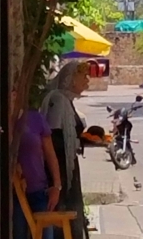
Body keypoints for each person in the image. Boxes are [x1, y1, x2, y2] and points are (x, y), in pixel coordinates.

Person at [40, 61, 90, 239]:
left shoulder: (66, 101)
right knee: (66, 213)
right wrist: (57, 182)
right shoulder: (59, 101)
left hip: (68, 167)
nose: (87, 80)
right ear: (71, 79)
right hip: (60, 169)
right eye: (82, 76)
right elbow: (52, 139)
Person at [13, 106, 62, 239]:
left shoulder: (35, 118)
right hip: (12, 194)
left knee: (46, 235)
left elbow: (50, 155)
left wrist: (57, 186)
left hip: (39, 191)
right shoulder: (4, 123)